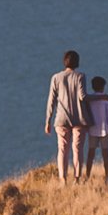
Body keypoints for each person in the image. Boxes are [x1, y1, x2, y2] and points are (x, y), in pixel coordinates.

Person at [44, 50, 90, 183]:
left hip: (61, 119)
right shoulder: (80, 76)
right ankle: (76, 178)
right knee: (77, 149)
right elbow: (83, 96)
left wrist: (47, 121)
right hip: (79, 119)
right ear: (77, 62)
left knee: (62, 149)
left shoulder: (56, 77)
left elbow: (51, 101)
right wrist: (100, 97)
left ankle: (63, 179)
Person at [80, 75, 108, 188]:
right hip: (104, 129)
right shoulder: (105, 101)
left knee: (91, 154)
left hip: (92, 130)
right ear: (103, 87)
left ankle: (87, 175)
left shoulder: (90, 100)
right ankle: (107, 177)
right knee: (106, 154)